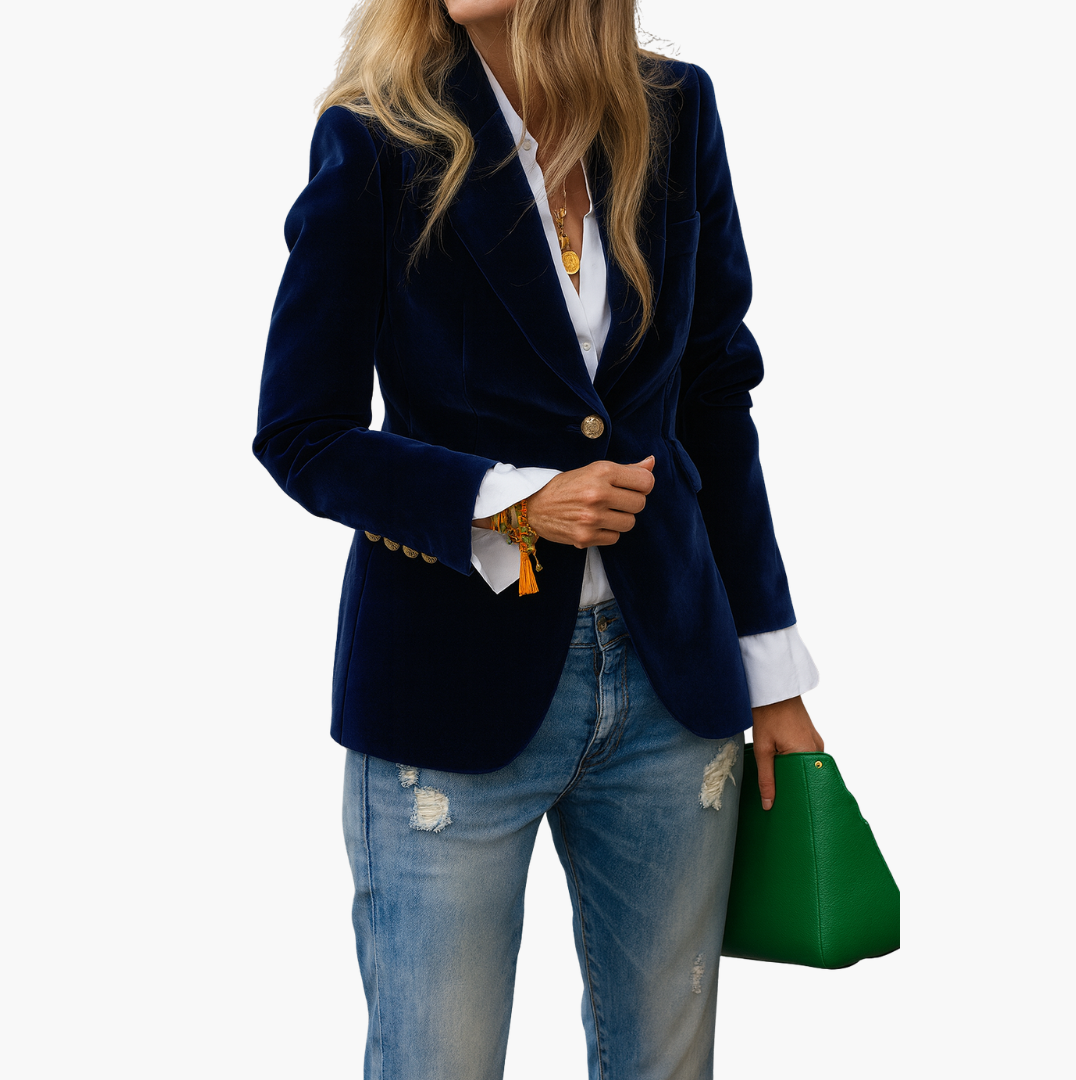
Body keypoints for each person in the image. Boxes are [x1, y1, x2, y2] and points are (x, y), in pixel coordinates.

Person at [253, 0, 826, 1076]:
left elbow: (715, 400)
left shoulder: (675, 110)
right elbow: (302, 432)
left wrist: (775, 682)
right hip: (447, 691)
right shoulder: (377, 134)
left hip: (671, 686)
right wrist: (510, 502)